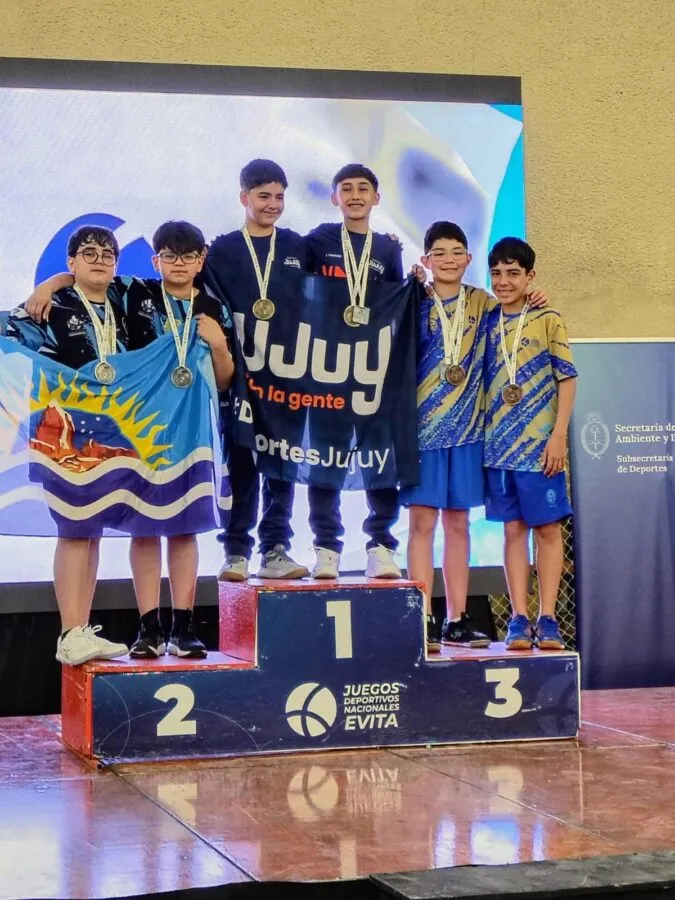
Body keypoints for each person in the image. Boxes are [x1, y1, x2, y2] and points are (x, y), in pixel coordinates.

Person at [23, 222, 235, 659]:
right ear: (156, 261)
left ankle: (176, 629)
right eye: (169, 255)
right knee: (122, 527)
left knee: (168, 527)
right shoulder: (136, 293)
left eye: (188, 255)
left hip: (179, 431)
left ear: (201, 260)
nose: (179, 263)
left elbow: (226, 380)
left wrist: (218, 346)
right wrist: (48, 285)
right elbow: (85, 281)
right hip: (121, 430)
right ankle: (136, 629)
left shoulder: (215, 308)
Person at [402, 222, 550, 654]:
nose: (448, 260)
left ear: (469, 259)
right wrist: (407, 284)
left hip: (469, 432)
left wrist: (535, 297)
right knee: (422, 524)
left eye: (457, 252)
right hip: (423, 431)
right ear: (426, 260)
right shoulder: (415, 302)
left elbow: (516, 305)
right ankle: (422, 619)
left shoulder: (485, 303)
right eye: (439, 253)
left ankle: (456, 619)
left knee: (459, 523)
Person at [6, 226, 130, 665]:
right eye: (88, 253)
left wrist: (56, 279)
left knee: (91, 532)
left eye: (108, 254)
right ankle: (69, 631)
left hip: (107, 434)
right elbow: (8, 341)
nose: (100, 260)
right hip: (59, 433)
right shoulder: (49, 306)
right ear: (71, 262)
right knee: (74, 530)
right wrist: (48, 286)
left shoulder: (124, 303)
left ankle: (80, 628)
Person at [204, 159, 310, 582]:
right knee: (242, 465)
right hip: (242, 381)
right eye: (264, 196)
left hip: (289, 376)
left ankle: (276, 549)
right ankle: (235, 552)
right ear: (243, 197)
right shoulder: (222, 250)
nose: (273, 204)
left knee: (283, 466)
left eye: (280, 196)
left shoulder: (299, 247)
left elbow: (336, 290)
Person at [304, 163, 403, 580]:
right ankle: (327, 547)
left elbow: (397, 304)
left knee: (380, 459)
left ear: (376, 198)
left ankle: (381, 545)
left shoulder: (388, 250)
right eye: (346, 188)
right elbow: (295, 290)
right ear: (335, 198)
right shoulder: (317, 241)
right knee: (323, 459)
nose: (355, 195)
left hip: (371, 372)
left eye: (363, 188)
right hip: (326, 369)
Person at [484, 237, 577, 651]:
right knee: (512, 530)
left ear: (530, 276)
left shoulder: (548, 317)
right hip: (499, 447)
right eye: (497, 273)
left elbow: (567, 379)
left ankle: (548, 618)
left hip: (541, 446)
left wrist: (558, 435)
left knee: (548, 529)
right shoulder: (486, 320)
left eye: (513, 273)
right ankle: (519, 618)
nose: (504, 281)